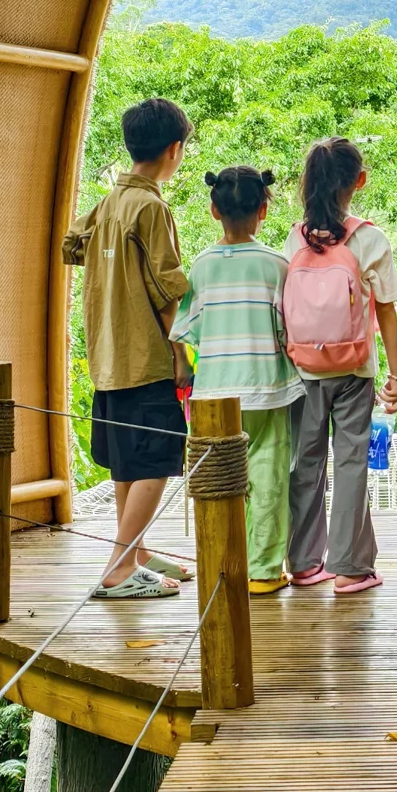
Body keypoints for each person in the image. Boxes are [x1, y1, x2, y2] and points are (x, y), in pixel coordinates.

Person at [62, 98, 193, 599]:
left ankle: (135, 552)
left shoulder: (112, 201)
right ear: (174, 150)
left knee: (128, 461)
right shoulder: (150, 206)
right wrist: (182, 354)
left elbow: (72, 244)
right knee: (158, 458)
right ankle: (119, 568)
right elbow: (166, 289)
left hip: (108, 355)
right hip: (145, 357)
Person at [171, 167, 301, 594]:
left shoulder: (202, 266)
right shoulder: (277, 265)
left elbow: (187, 329)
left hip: (213, 394)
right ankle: (262, 571)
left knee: (222, 479)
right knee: (268, 476)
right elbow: (286, 330)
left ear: (214, 211)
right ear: (263, 210)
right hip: (266, 388)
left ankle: (223, 563)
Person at [283, 138, 397, 595]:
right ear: (360, 181)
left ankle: (304, 563)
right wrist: (394, 373)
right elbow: (386, 310)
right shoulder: (369, 239)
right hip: (354, 369)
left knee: (306, 463)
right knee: (351, 462)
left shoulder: (295, 238)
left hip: (304, 369)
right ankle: (351, 568)